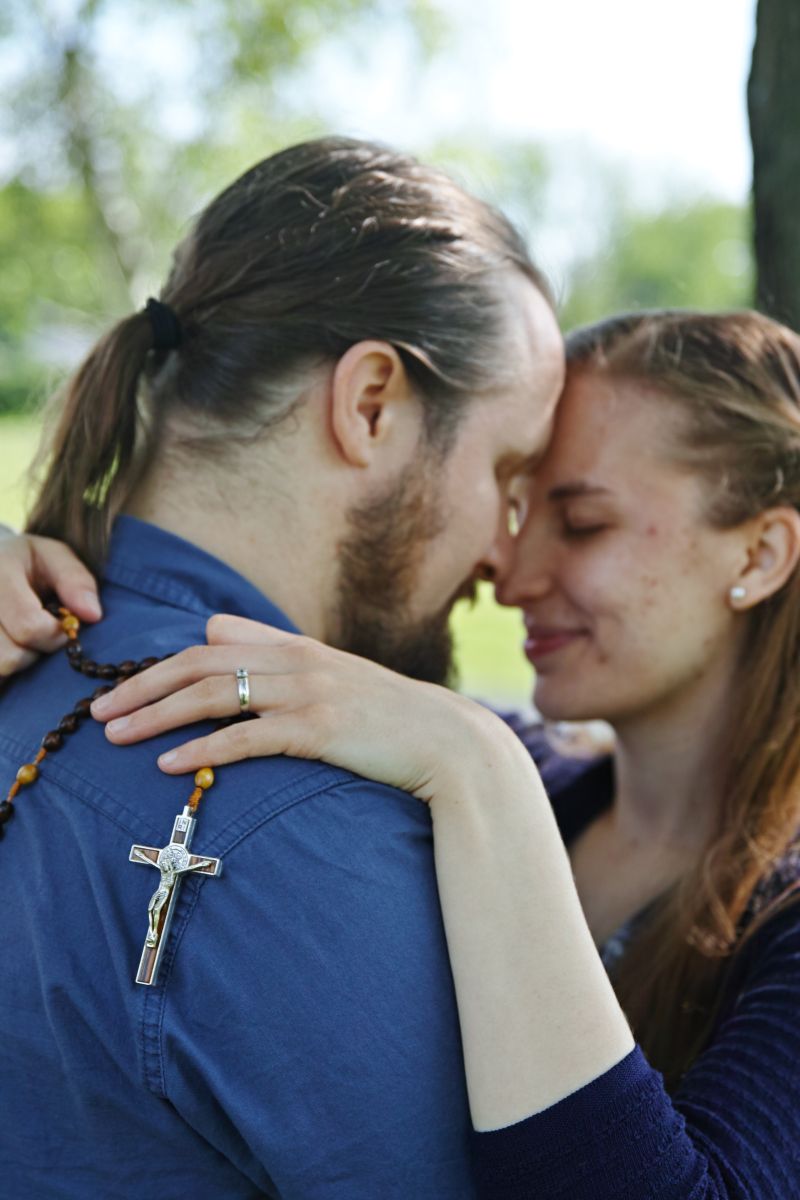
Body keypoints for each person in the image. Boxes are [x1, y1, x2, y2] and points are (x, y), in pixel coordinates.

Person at [6, 308, 799, 1199]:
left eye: (580, 524)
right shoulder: (525, 780)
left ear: (762, 553)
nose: (510, 572)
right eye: (515, 506)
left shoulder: (498, 781)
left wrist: (479, 760)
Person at [0, 135, 565, 1198]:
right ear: (370, 405)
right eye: (508, 471)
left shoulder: (23, 675)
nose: (502, 557)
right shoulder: (326, 833)